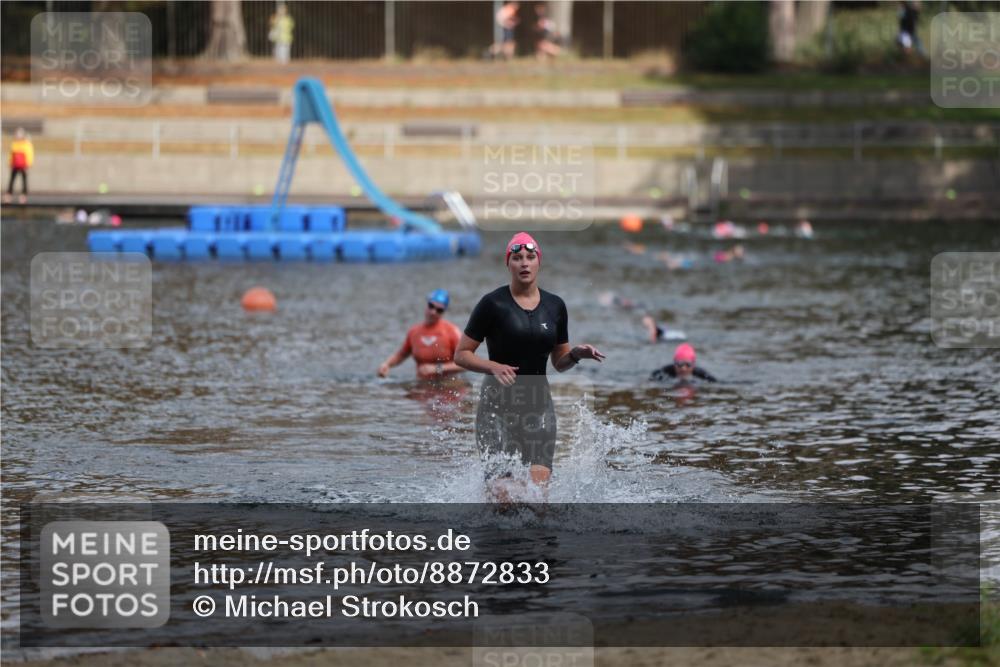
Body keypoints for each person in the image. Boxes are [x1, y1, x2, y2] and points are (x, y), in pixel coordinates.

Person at [454, 232, 605, 500]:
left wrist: (577, 355)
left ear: (538, 262)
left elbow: (559, 362)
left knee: (537, 498)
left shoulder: (555, 306)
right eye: (517, 258)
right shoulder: (492, 304)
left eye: (530, 257)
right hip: (496, 407)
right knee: (503, 499)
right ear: (508, 264)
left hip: (538, 405)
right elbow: (462, 354)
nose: (524, 263)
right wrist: (493, 366)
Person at [378, 289, 465, 380]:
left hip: (448, 385)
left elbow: (465, 364)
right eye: (431, 306)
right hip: (422, 384)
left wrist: (437, 369)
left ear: (444, 312)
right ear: (427, 304)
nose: (433, 312)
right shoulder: (414, 331)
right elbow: (401, 355)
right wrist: (387, 364)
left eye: (439, 310)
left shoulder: (452, 331)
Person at [651, 343, 716, 384]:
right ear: (674, 363)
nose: (683, 368)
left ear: (693, 365)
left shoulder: (701, 374)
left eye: (688, 364)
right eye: (679, 364)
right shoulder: (665, 371)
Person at [5, 128, 33, 204]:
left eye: (20, 134)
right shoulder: (14, 143)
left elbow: (29, 155)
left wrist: (28, 164)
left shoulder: (27, 144)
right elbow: (11, 154)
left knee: (24, 180)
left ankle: (24, 195)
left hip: (23, 165)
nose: (18, 136)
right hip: (15, 165)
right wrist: (10, 163)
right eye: (17, 134)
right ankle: (9, 194)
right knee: (12, 179)